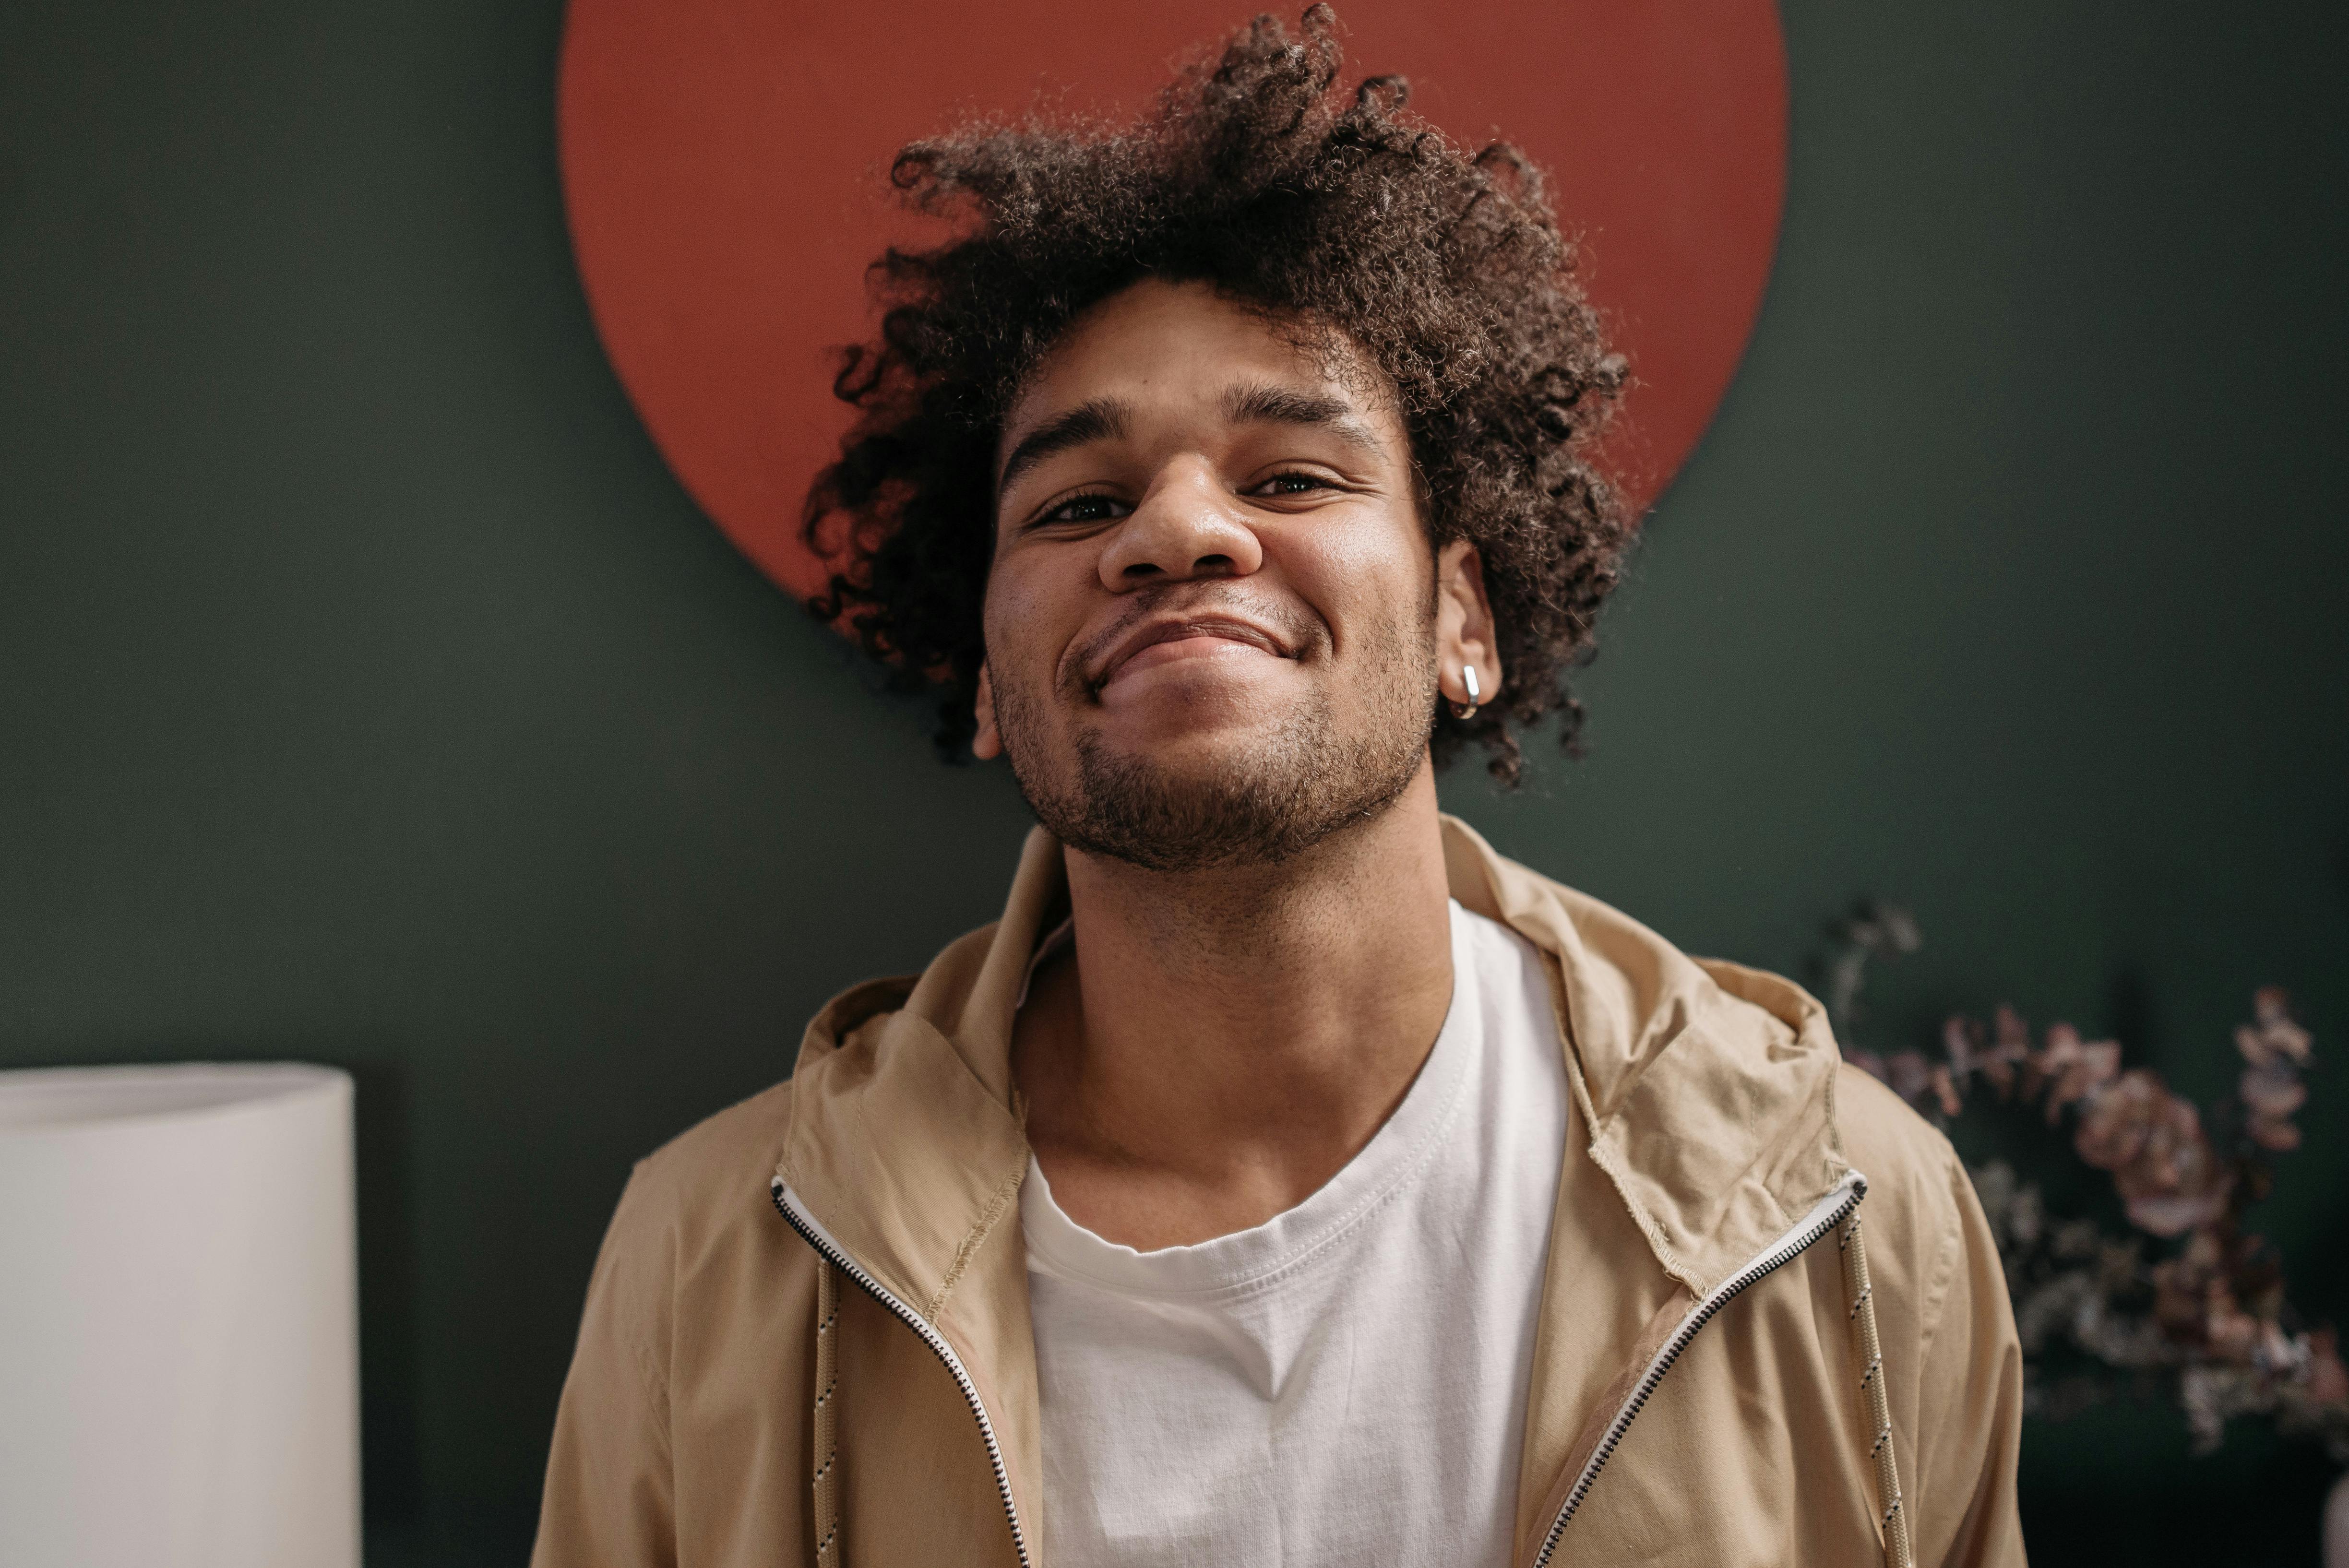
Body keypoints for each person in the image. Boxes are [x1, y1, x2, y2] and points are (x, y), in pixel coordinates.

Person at [531, 10, 2026, 1566]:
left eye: (1293, 476)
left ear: (1464, 615)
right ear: (985, 672)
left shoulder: (1852, 1225)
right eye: (1081, 500)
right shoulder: (708, 1266)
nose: (1177, 532)